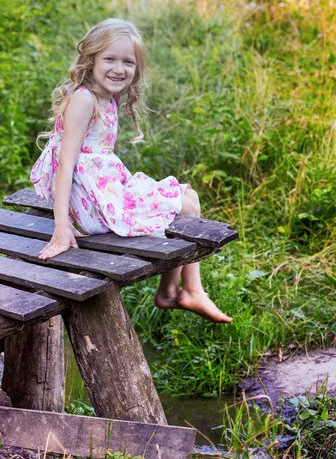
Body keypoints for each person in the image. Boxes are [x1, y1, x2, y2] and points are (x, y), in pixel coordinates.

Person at [30, 18, 232, 323]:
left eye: (128, 62)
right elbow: (64, 163)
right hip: (92, 207)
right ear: (91, 59)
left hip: (100, 193)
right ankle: (184, 291)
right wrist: (62, 227)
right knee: (188, 203)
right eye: (110, 59)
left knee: (187, 195)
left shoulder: (104, 98)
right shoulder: (84, 100)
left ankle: (177, 290)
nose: (119, 68)